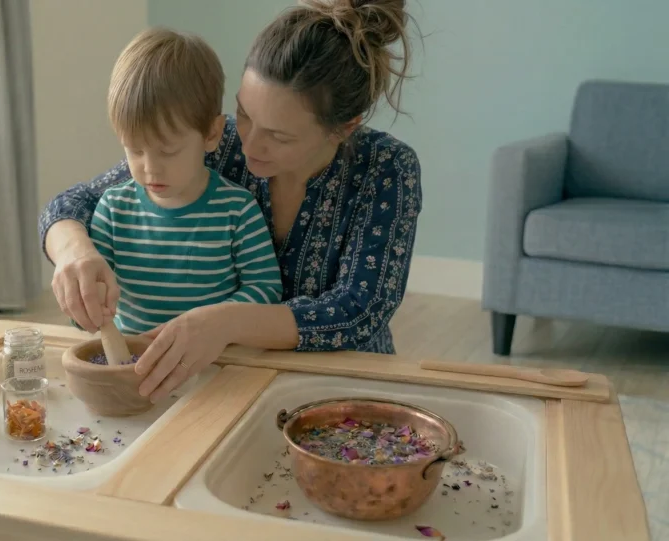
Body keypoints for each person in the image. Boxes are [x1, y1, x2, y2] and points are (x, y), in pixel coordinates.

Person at [39, 0, 422, 402]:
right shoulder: (215, 141)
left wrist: (224, 323)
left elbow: (358, 309)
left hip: (338, 384)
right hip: (225, 380)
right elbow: (75, 202)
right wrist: (75, 254)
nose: (249, 143)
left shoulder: (386, 167)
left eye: (279, 135)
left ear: (343, 129)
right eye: (244, 113)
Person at [88, 28, 283, 336]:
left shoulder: (237, 210)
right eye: (135, 150)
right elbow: (91, 298)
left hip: (215, 360)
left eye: (168, 151)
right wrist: (86, 302)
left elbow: (266, 289)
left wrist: (215, 323)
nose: (150, 168)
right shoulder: (113, 209)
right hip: (133, 361)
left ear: (211, 134)